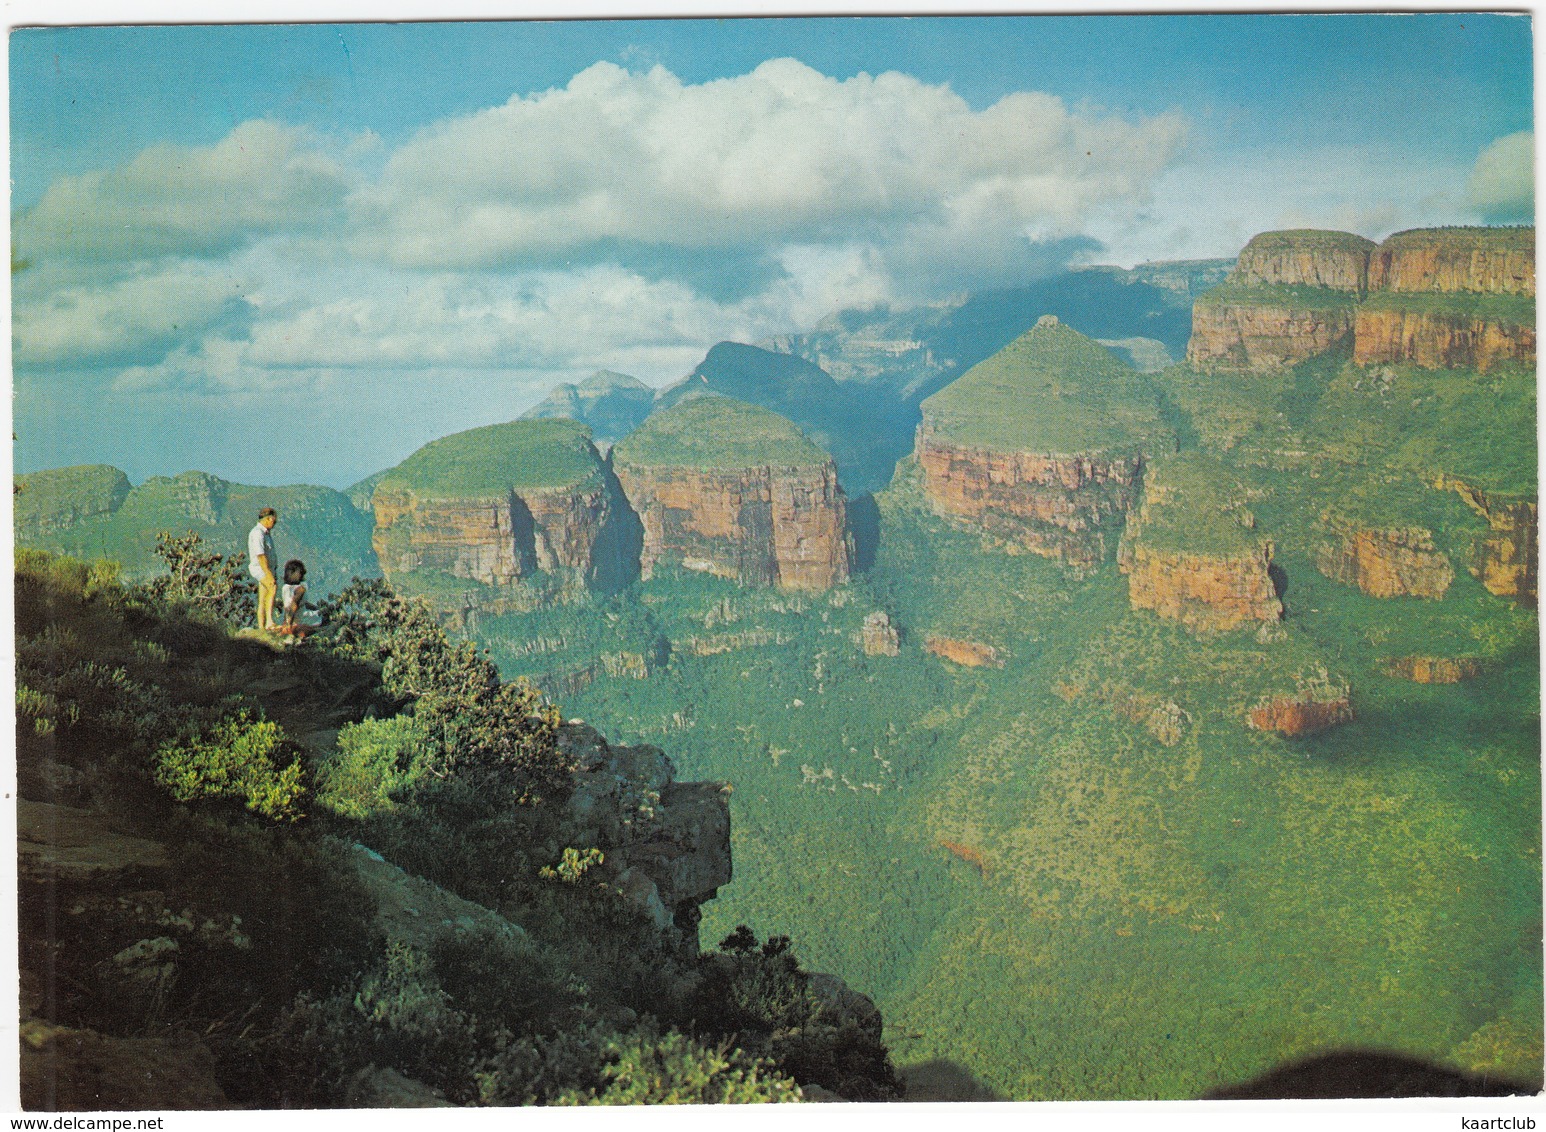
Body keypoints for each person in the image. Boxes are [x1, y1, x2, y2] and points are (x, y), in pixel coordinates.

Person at [247, 507, 278, 632]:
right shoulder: (258, 533)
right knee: (272, 587)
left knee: (263, 596)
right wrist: (268, 574)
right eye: (273, 520)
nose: (274, 523)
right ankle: (269, 622)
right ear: (269, 518)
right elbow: (260, 556)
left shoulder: (265, 533)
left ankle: (261, 627)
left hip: (267, 568)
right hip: (261, 568)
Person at [277, 559, 311, 639]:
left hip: (298, 619)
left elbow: (291, 606)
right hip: (297, 619)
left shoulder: (295, 588)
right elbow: (291, 606)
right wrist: (287, 623)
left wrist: (287, 623)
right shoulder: (292, 588)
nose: (301, 575)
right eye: (299, 573)